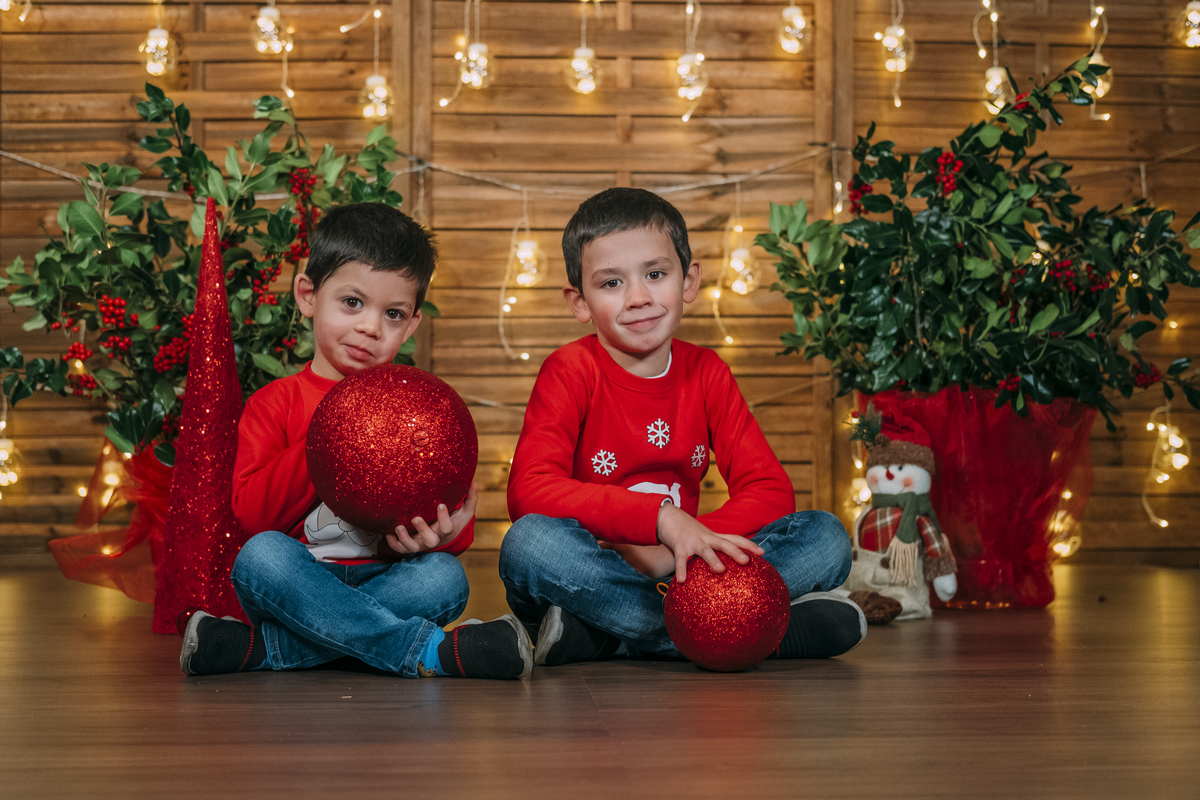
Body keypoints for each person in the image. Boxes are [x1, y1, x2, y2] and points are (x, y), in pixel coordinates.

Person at [500, 187, 867, 666]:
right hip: (600, 568)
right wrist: (658, 523)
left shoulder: (707, 372)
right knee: (527, 545)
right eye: (611, 284)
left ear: (688, 280)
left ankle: (609, 637)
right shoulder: (570, 371)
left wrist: (690, 542)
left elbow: (769, 490)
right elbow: (529, 491)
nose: (638, 298)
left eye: (655, 274)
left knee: (827, 538)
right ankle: (759, 633)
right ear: (579, 302)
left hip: (685, 573)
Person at [179, 203, 532, 679]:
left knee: (443, 577)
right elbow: (254, 516)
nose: (370, 326)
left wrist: (448, 534)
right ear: (307, 295)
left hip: (387, 577)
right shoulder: (274, 402)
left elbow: (446, 521)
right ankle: (428, 652)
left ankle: (266, 650)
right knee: (259, 557)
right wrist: (330, 433)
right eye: (352, 303)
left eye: (393, 314)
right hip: (300, 578)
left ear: (410, 326)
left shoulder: (416, 408)